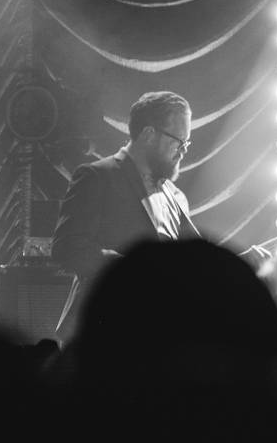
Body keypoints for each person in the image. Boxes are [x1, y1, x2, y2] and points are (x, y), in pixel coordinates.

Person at [51, 91, 201, 333]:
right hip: (107, 330)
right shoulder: (97, 176)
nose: (183, 151)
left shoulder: (174, 196)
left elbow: (195, 263)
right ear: (149, 134)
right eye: (178, 141)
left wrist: (242, 262)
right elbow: (67, 248)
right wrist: (135, 270)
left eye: (187, 143)